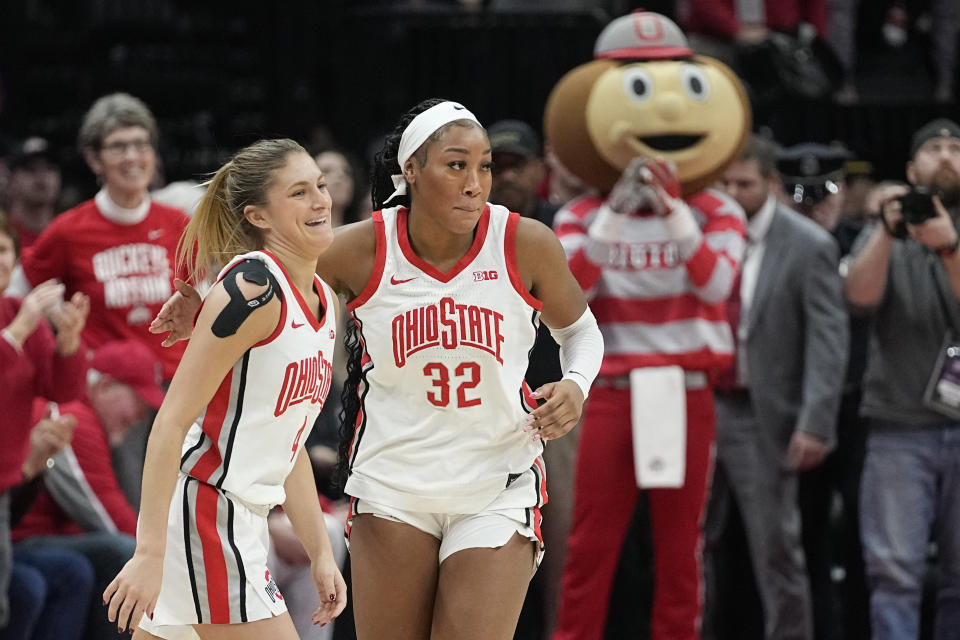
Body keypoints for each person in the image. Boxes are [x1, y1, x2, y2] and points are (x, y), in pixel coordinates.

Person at [150, 99, 603, 640]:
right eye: (456, 164)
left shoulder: (524, 241)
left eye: (483, 166)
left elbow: (581, 333)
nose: (476, 182)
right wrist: (202, 297)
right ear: (410, 170)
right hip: (392, 485)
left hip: (497, 483)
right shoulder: (364, 247)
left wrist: (576, 385)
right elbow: (276, 270)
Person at [103, 138, 347, 639]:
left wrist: (320, 552)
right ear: (258, 216)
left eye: (320, 186)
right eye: (299, 193)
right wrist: (149, 552)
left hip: (237, 516)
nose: (320, 200)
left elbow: (290, 440)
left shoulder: (323, 298)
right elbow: (170, 422)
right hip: (207, 514)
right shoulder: (253, 289)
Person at [704, 135, 849, 640]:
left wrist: (815, 423)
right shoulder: (698, 231)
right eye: (722, 183)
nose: (730, 193)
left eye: (742, 184)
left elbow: (829, 344)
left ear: (770, 183)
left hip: (763, 413)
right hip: (700, 403)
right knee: (689, 542)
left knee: (776, 549)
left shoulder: (809, 245)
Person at [843, 117, 960, 639]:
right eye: (934, 148)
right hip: (898, 427)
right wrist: (887, 232)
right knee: (894, 575)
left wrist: (949, 247)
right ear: (913, 169)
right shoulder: (886, 228)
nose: (947, 156)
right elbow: (859, 298)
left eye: (957, 148)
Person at [7, 92, 191, 384]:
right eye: (118, 147)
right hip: (107, 395)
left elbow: (204, 300)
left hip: (175, 386)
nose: (132, 156)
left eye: (141, 144)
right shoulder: (68, 230)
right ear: (94, 159)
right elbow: (14, 293)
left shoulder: (179, 222)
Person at [13, 339, 166, 640]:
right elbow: (109, 518)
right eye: (138, 402)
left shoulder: (88, 417)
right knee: (124, 554)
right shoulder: (74, 418)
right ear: (106, 386)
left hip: (47, 539)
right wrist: (162, 558)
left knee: (86, 566)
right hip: (20, 538)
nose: (140, 418)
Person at [0, 211, 95, 640]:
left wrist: (70, 342)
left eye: (4, 250)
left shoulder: (21, 312)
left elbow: (62, 390)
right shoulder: (21, 318)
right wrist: (16, 332)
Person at [2, 137, 61, 250]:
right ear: (11, 180)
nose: (41, 176)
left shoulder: (71, 233)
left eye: (50, 168)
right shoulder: (3, 235)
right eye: (30, 169)